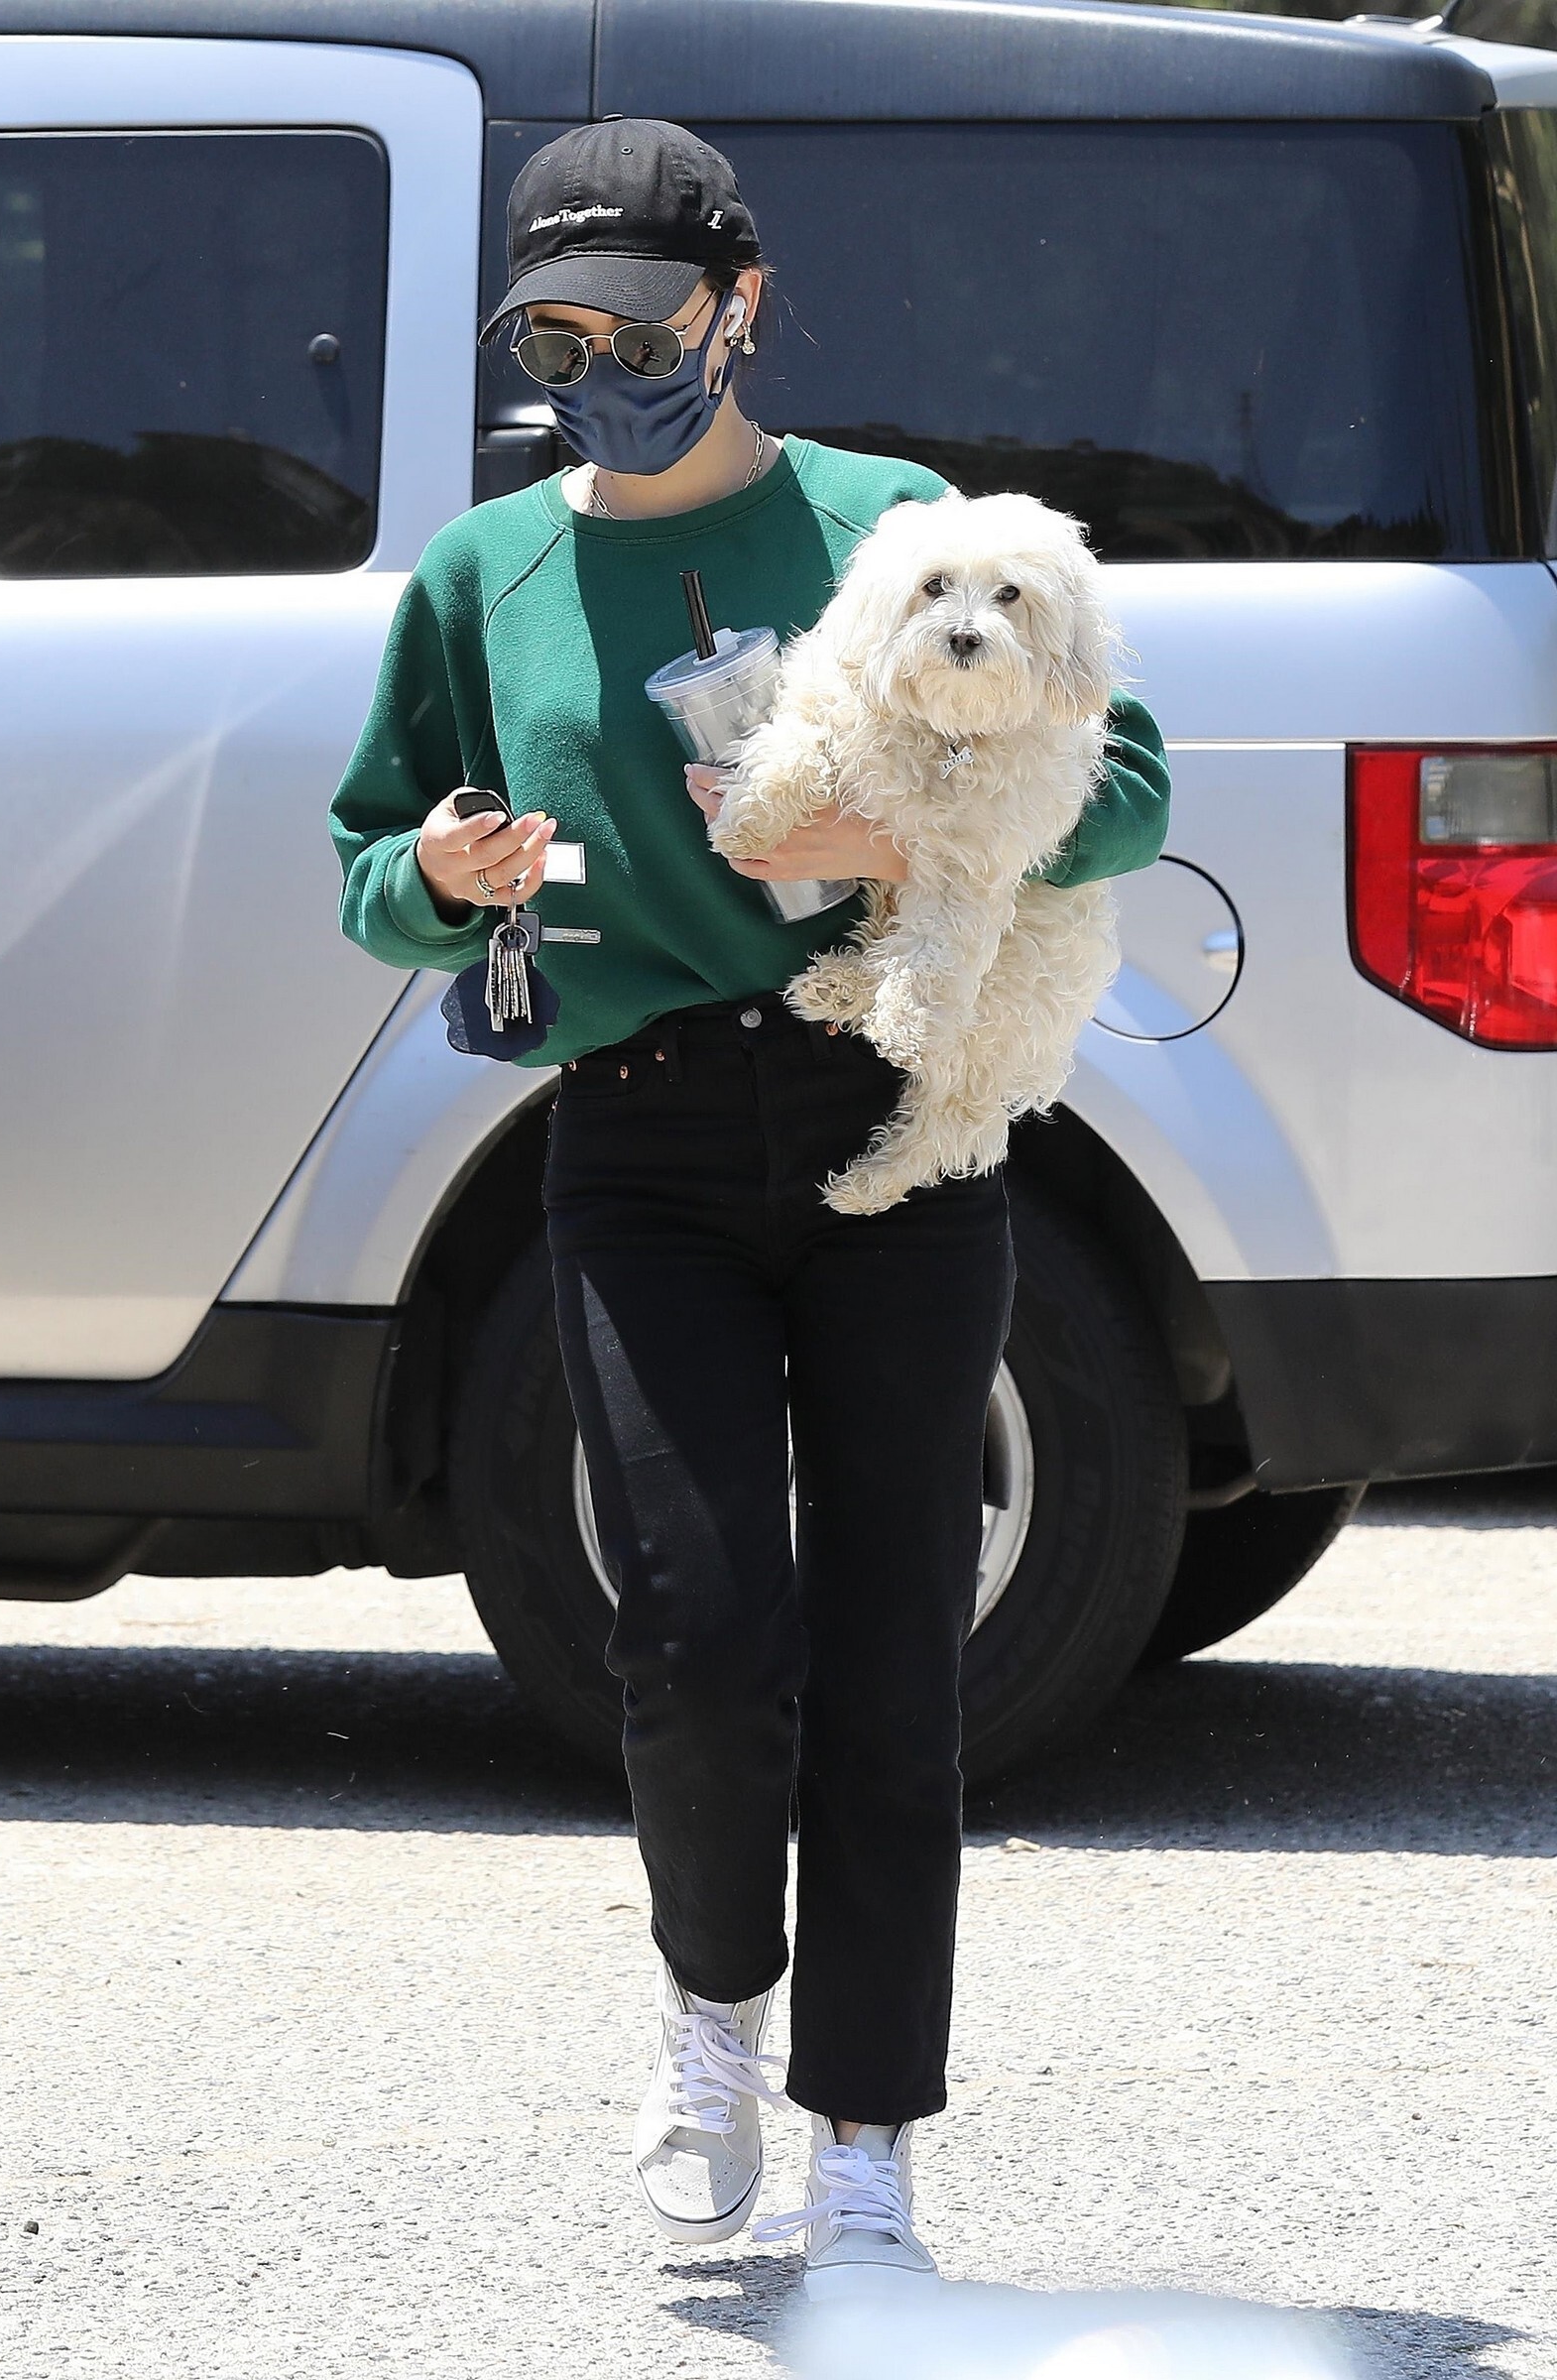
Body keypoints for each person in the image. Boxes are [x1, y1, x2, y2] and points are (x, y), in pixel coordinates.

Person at [328, 118, 1170, 2300]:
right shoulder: (481, 572)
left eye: (641, 326)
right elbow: (367, 863)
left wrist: (909, 851)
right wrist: (441, 877)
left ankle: (864, 2143)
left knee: (897, 1647)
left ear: (740, 309)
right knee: (697, 1634)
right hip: (635, 1141)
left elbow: (1128, 785)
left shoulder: (894, 523)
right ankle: (711, 2007)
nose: (601, 369)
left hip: (899, 1114)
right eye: (554, 337)